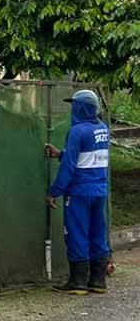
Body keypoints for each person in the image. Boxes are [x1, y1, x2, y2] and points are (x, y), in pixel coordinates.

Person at [46, 89, 111, 295]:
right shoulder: (103, 129)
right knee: (97, 233)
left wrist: (54, 191)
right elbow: (88, 155)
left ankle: (78, 282)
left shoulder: (76, 131)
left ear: (81, 108)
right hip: (99, 190)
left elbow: (69, 167)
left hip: (79, 193)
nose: (72, 109)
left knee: (77, 233)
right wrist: (61, 153)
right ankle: (98, 281)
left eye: (74, 105)